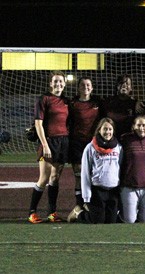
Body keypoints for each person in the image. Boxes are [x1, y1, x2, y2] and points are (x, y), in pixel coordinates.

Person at [28, 71, 70, 223]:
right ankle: (32, 212)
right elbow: (38, 123)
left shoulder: (66, 101)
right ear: (51, 83)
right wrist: (44, 144)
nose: (58, 84)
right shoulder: (44, 99)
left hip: (63, 142)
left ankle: (52, 212)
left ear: (64, 84)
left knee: (55, 178)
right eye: (56, 81)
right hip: (49, 141)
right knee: (44, 178)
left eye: (61, 82)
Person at [70, 118, 123, 224]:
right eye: (105, 129)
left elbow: (120, 168)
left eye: (110, 129)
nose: (108, 132)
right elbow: (85, 173)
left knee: (111, 221)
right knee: (97, 221)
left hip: (113, 190)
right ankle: (78, 213)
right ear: (99, 130)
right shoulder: (90, 148)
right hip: (97, 190)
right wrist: (86, 196)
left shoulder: (118, 147)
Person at [68, 77, 101, 210]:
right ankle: (79, 205)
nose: (85, 87)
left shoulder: (97, 103)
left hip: (93, 144)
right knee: (78, 175)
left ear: (92, 88)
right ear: (78, 88)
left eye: (88, 85)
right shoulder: (73, 103)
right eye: (82, 85)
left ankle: (92, 203)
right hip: (77, 143)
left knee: (94, 174)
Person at [118, 116, 145, 224]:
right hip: (129, 186)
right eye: (138, 125)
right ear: (134, 126)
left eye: (144, 125)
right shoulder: (125, 139)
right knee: (129, 221)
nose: (141, 128)